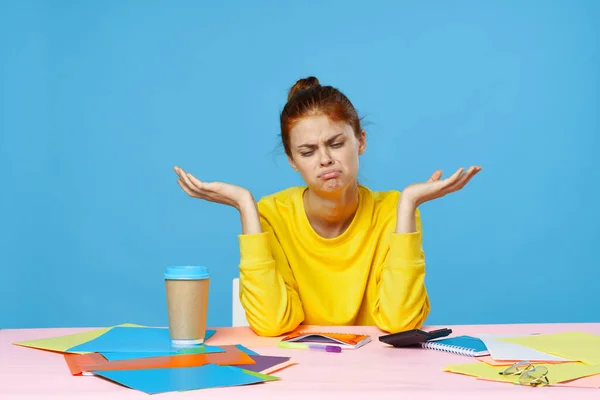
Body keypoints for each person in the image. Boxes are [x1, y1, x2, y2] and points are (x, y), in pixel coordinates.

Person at [174, 76, 481, 337]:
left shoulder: (394, 212)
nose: (325, 160)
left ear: (360, 141)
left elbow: (400, 322)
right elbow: (271, 323)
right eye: (307, 152)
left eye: (336, 144)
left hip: (378, 377)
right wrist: (245, 206)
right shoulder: (271, 214)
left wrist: (408, 203)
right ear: (293, 161)